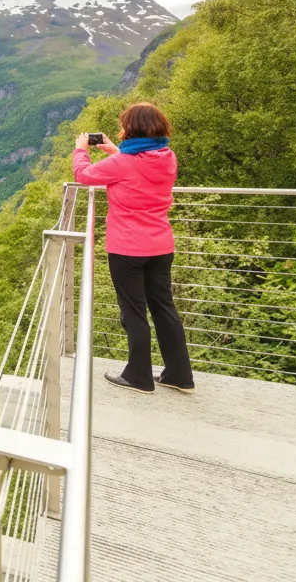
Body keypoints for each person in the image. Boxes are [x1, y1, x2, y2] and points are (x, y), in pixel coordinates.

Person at [73, 102, 195, 394]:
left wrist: (81, 150)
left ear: (131, 129)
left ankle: (138, 376)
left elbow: (84, 175)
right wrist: (114, 150)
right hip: (161, 245)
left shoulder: (123, 163)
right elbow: (138, 167)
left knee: (133, 311)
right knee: (164, 308)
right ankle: (180, 375)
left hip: (127, 248)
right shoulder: (168, 157)